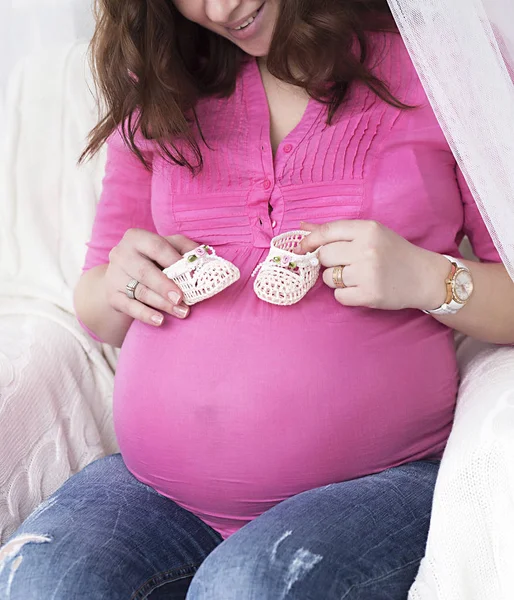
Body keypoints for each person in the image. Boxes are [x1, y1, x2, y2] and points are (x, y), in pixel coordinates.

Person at [2, 1, 514, 598]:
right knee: (44, 580)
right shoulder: (166, 77)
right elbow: (96, 306)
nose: (220, 9)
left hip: (377, 484)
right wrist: (121, 283)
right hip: (152, 488)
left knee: (247, 587)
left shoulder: (441, 61)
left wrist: (428, 279)